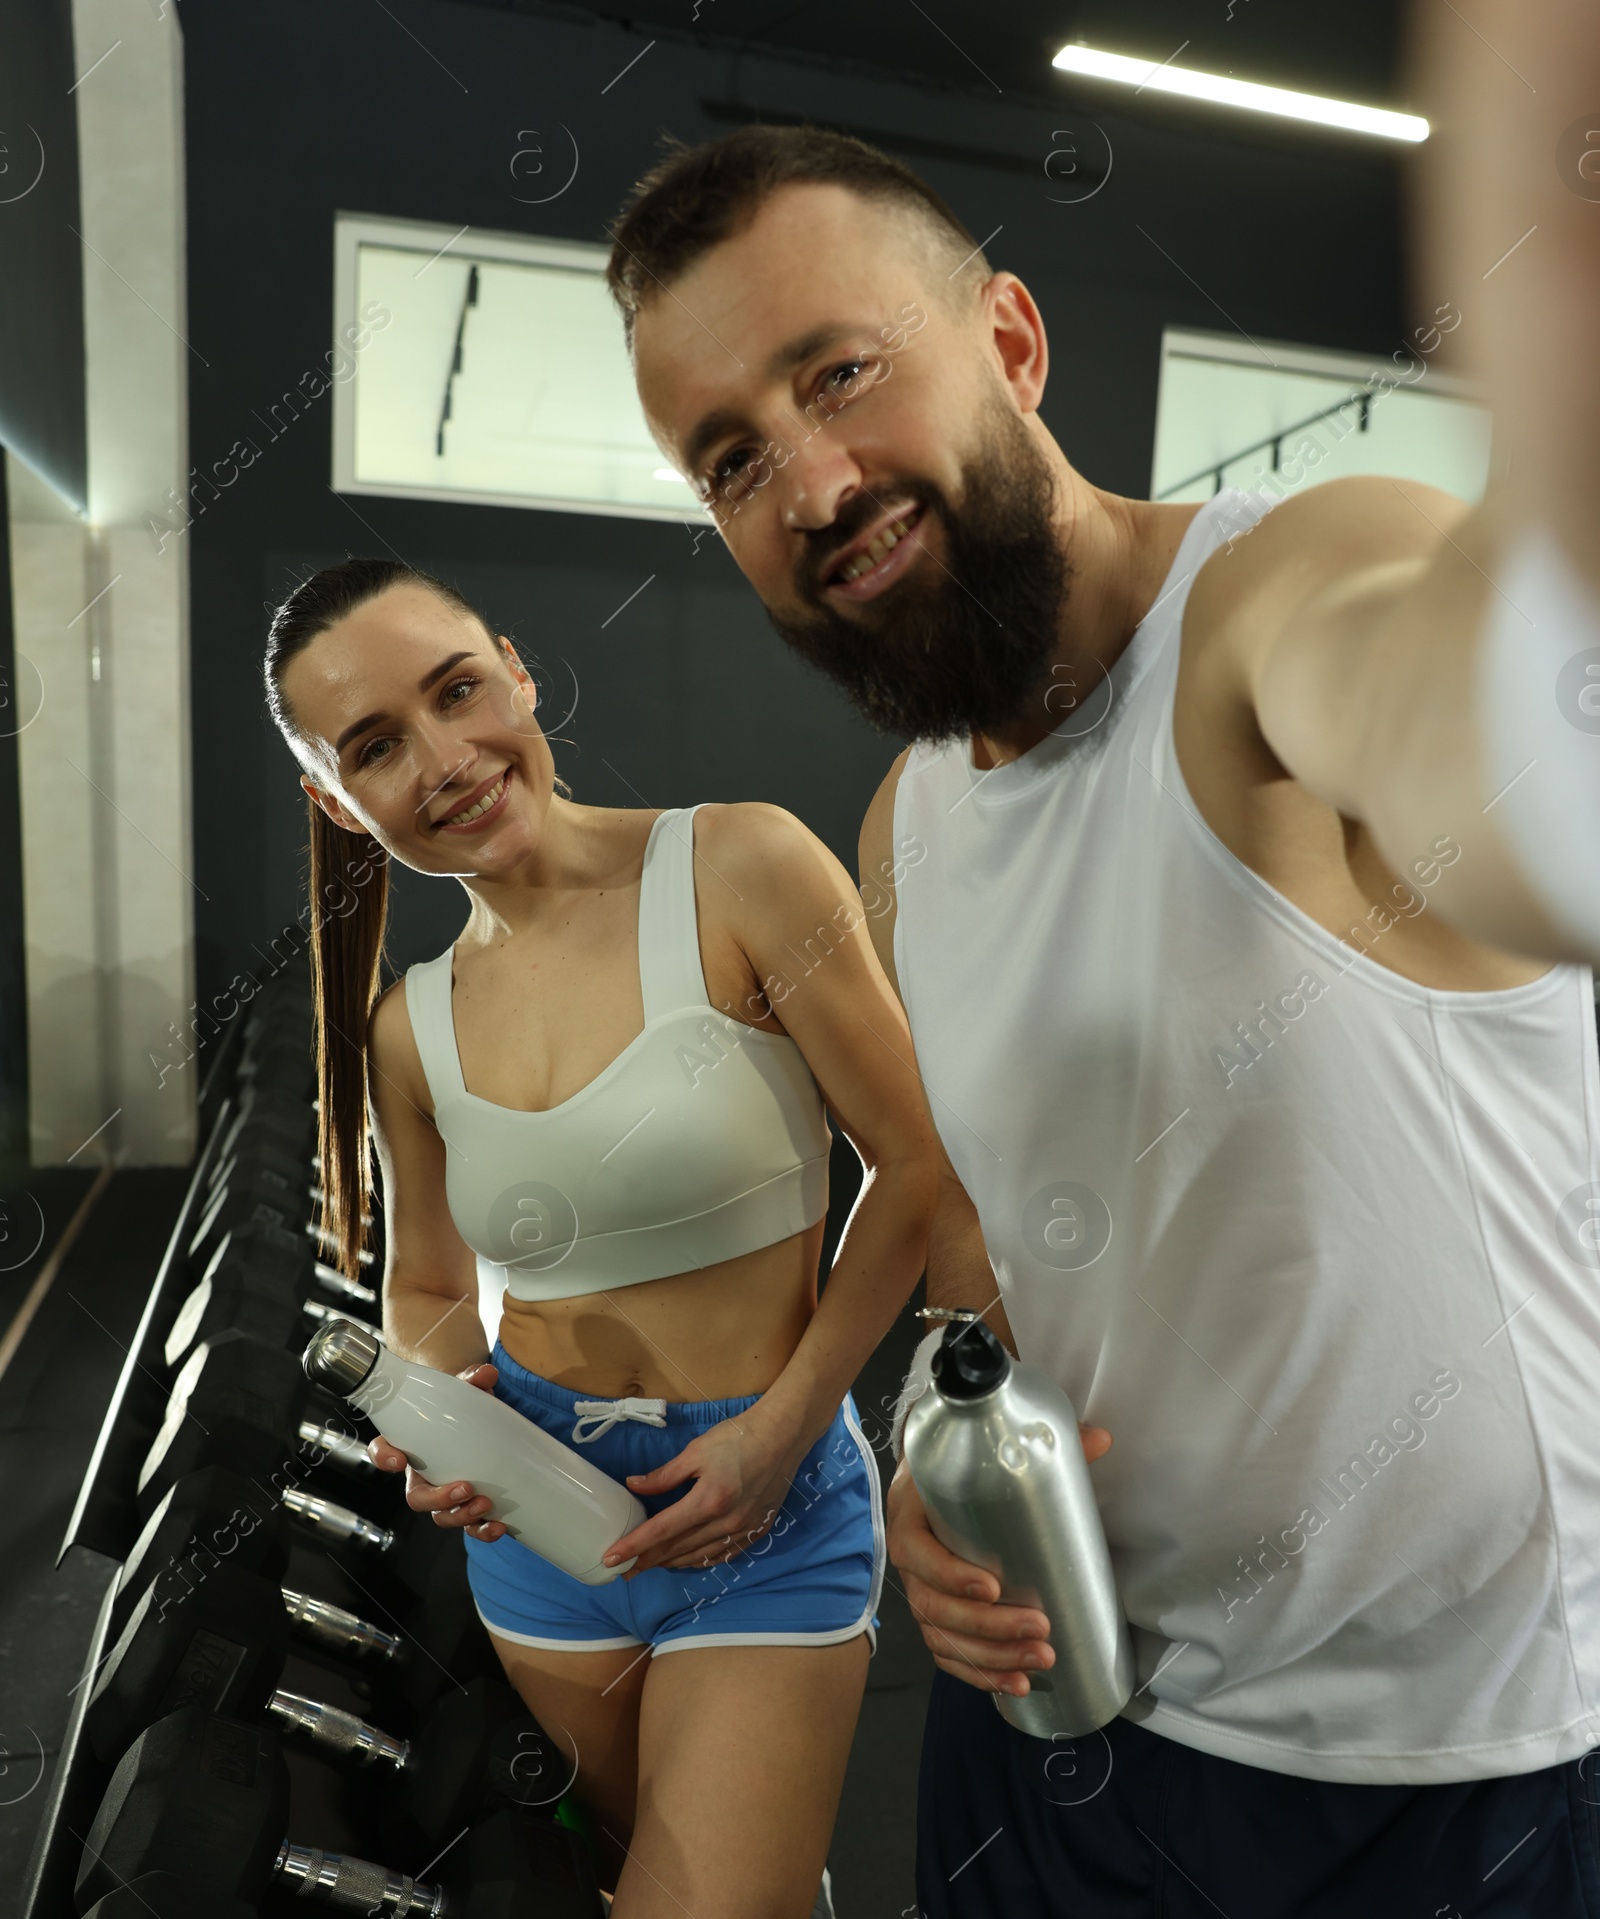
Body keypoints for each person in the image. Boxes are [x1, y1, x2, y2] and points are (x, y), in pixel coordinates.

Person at [599, 1, 1600, 1905]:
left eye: (841, 376)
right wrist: (936, 1443)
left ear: (1012, 341)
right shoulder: (911, 825)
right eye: (729, 459)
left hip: (1445, 1769)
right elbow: (992, 1231)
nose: (809, 488)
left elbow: (1513, 760)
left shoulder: (1279, 600)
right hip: (1074, 1713)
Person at [261, 557, 941, 1919]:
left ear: (515, 668)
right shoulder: (414, 1024)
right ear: (338, 799)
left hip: (768, 1498)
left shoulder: (742, 865)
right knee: (653, 1875)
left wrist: (788, 1427)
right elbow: (435, 1279)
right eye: (378, 748)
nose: (447, 759)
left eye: (458, 692)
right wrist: (450, 1404)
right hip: (542, 1527)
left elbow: (923, 1168)